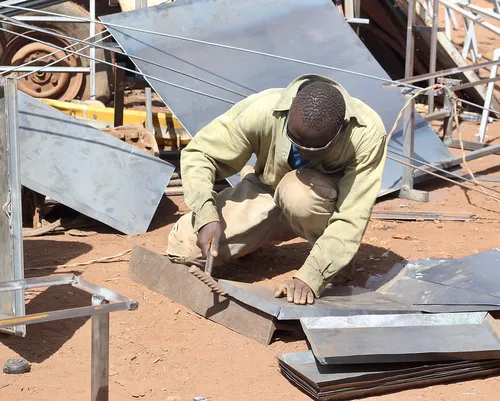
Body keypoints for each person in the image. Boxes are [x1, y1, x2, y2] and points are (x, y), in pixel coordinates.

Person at [167, 74, 387, 305]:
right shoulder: (264, 109)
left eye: (314, 149)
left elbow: (351, 218)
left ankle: (333, 267)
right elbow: (200, 154)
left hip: (315, 205)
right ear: (289, 111)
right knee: (185, 249)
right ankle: (255, 235)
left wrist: (311, 278)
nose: (302, 153)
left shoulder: (365, 133)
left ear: (341, 130)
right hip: (267, 190)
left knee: (297, 193)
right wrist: (206, 216)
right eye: (295, 142)